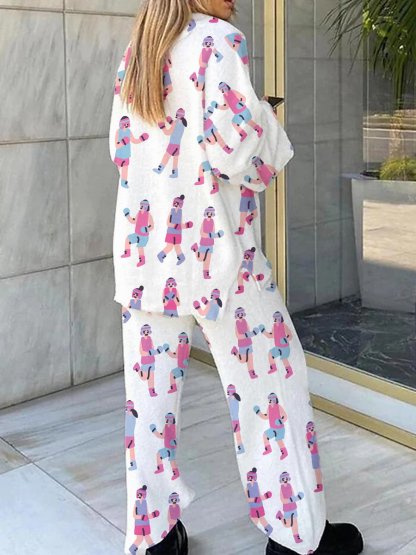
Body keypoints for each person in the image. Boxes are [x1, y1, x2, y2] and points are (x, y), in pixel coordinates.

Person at [108, 1, 364, 554]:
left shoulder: (140, 48)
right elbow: (239, 153)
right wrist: (266, 121)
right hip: (218, 259)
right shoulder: (218, 40)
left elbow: (119, 149)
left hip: (145, 256)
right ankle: (297, 536)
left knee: (149, 406)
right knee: (272, 385)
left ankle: (154, 538)